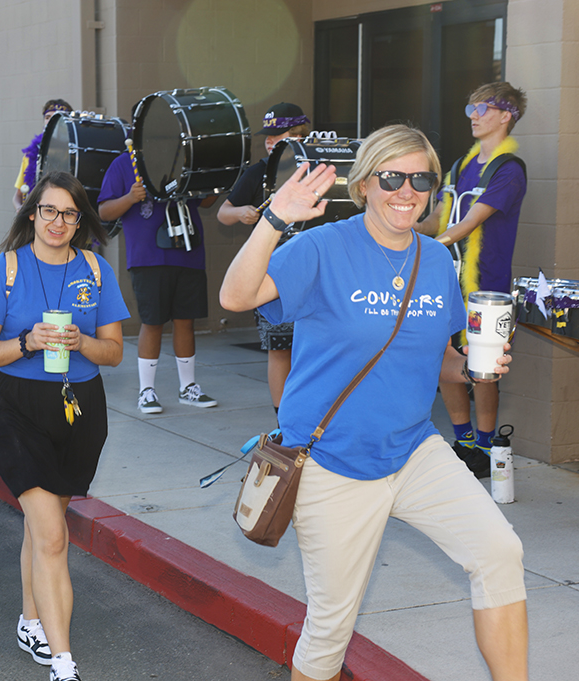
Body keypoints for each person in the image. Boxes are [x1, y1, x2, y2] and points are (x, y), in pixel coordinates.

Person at [221, 124, 527, 681]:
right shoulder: (322, 247)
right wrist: (274, 219)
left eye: (420, 179)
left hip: (413, 450)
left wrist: (480, 366)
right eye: (391, 177)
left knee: (499, 554)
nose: (405, 190)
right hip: (332, 460)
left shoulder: (437, 260)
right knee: (330, 628)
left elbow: (439, 359)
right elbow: (236, 296)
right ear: (364, 184)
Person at [0, 171, 129, 681]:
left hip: (79, 409)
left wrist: (80, 342)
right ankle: (63, 663)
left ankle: (30, 619)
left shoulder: (96, 271)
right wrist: (27, 343)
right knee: (54, 538)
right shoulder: (6, 269)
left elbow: (115, 352)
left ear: (80, 221)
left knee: (43, 531)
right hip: (16, 408)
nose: (58, 222)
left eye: (69, 213)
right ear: (32, 213)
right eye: (49, 211)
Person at [417, 82, 528, 476]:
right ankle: (461, 441)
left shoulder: (508, 170)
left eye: (483, 108)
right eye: (470, 108)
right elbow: (439, 219)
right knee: (443, 359)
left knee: (482, 368)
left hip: (487, 289)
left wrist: (425, 248)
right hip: (447, 282)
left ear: (506, 115)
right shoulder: (460, 166)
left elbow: (467, 223)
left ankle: (483, 448)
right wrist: (400, 227)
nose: (474, 116)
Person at [98, 149, 219, 414]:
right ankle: (146, 391)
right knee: (152, 322)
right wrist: (130, 197)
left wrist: (218, 179)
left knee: (186, 321)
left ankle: (188, 387)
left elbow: (206, 201)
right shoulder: (123, 163)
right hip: (147, 257)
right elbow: (104, 211)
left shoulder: (183, 157)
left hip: (188, 252)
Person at [217, 102, 311, 418]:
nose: (270, 142)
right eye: (267, 136)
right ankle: (284, 419)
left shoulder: (319, 168)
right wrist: (240, 212)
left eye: (277, 135)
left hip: (316, 271)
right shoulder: (258, 172)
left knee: (318, 349)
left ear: (300, 135)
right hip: (272, 275)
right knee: (280, 348)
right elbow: (223, 213)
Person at [13, 99, 73, 212]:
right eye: (47, 117)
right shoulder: (31, 154)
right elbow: (17, 196)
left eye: (56, 117)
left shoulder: (73, 154)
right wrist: (19, 209)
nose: (51, 121)